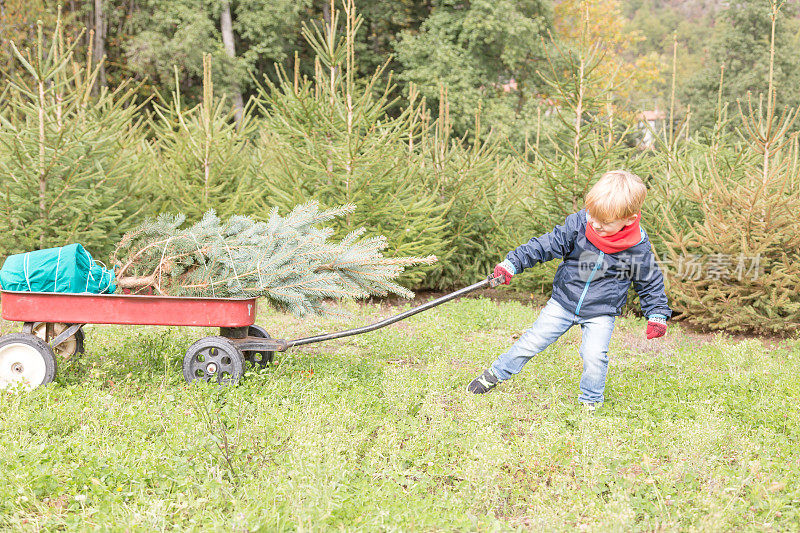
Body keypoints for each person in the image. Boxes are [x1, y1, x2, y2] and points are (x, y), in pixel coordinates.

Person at [468, 170, 671, 410]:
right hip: (563, 302)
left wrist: (657, 312)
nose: (595, 224)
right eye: (593, 215)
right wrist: (513, 263)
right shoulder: (579, 225)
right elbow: (545, 245)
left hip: (601, 311)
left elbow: (649, 279)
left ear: (629, 219)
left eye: (604, 222)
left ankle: (590, 401)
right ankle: (495, 374)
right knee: (531, 342)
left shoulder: (636, 246)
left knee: (594, 356)